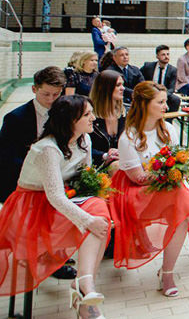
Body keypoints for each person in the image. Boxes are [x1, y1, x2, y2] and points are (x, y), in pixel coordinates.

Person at [110, 81, 189, 294]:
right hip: (137, 193)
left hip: (168, 190)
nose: (165, 106)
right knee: (179, 197)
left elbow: (178, 163)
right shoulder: (129, 137)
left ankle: (167, 273)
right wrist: (168, 175)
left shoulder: (168, 130)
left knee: (180, 209)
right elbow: (138, 178)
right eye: (160, 102)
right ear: (144, 105)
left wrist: (176, 174)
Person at [0, 94, 112, 318]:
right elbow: (55, 197)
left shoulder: (84, 140)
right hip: (32, 205)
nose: (93, 119)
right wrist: (87, 219)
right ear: (70, 120)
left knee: (101, 214)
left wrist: (92, 215)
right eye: (87, 115)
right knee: (97, 221)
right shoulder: (47, 149)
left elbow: (83, 181)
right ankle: (84, 288)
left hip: (62, 198)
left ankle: (83, 284)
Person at [0, 67, 68, 202]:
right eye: (46, 94)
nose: (51, 100)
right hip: (25, 181)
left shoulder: (65, 113)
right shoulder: (15, 118)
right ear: (34, 89)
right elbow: (7, 157)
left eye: (56, 94)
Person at [89, 69, 127, 166]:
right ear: (105, 88)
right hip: (97, 166)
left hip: (123, 162)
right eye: (118, 85)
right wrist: (105, 155)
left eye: (122, 84)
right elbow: (82, 148)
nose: (123, 88)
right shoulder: (88, 115)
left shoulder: (126, 113)